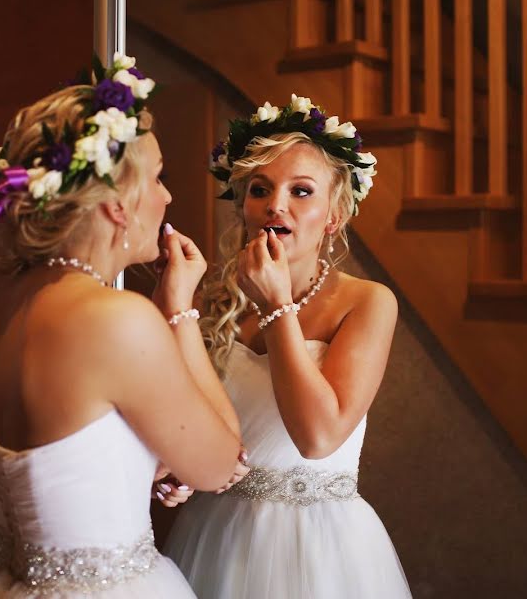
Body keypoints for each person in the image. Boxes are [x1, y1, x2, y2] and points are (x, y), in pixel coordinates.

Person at [0, 54, 242, 598]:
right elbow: (222, 463)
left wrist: (136, 467)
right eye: (158, 178)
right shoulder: (119, 318)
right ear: (116, 206)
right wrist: (178, 306)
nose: (168, 197)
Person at [161, 96, 412, 598]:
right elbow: (192, 424)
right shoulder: (210, 299)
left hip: (320, 549)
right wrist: (175, 470)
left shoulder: (367, 303)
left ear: (333, 216)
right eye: (260, 190)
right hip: (214, 536)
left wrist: (278, 307)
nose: (276, 204)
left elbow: (318, 437)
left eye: (301, 191)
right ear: (244, 206)